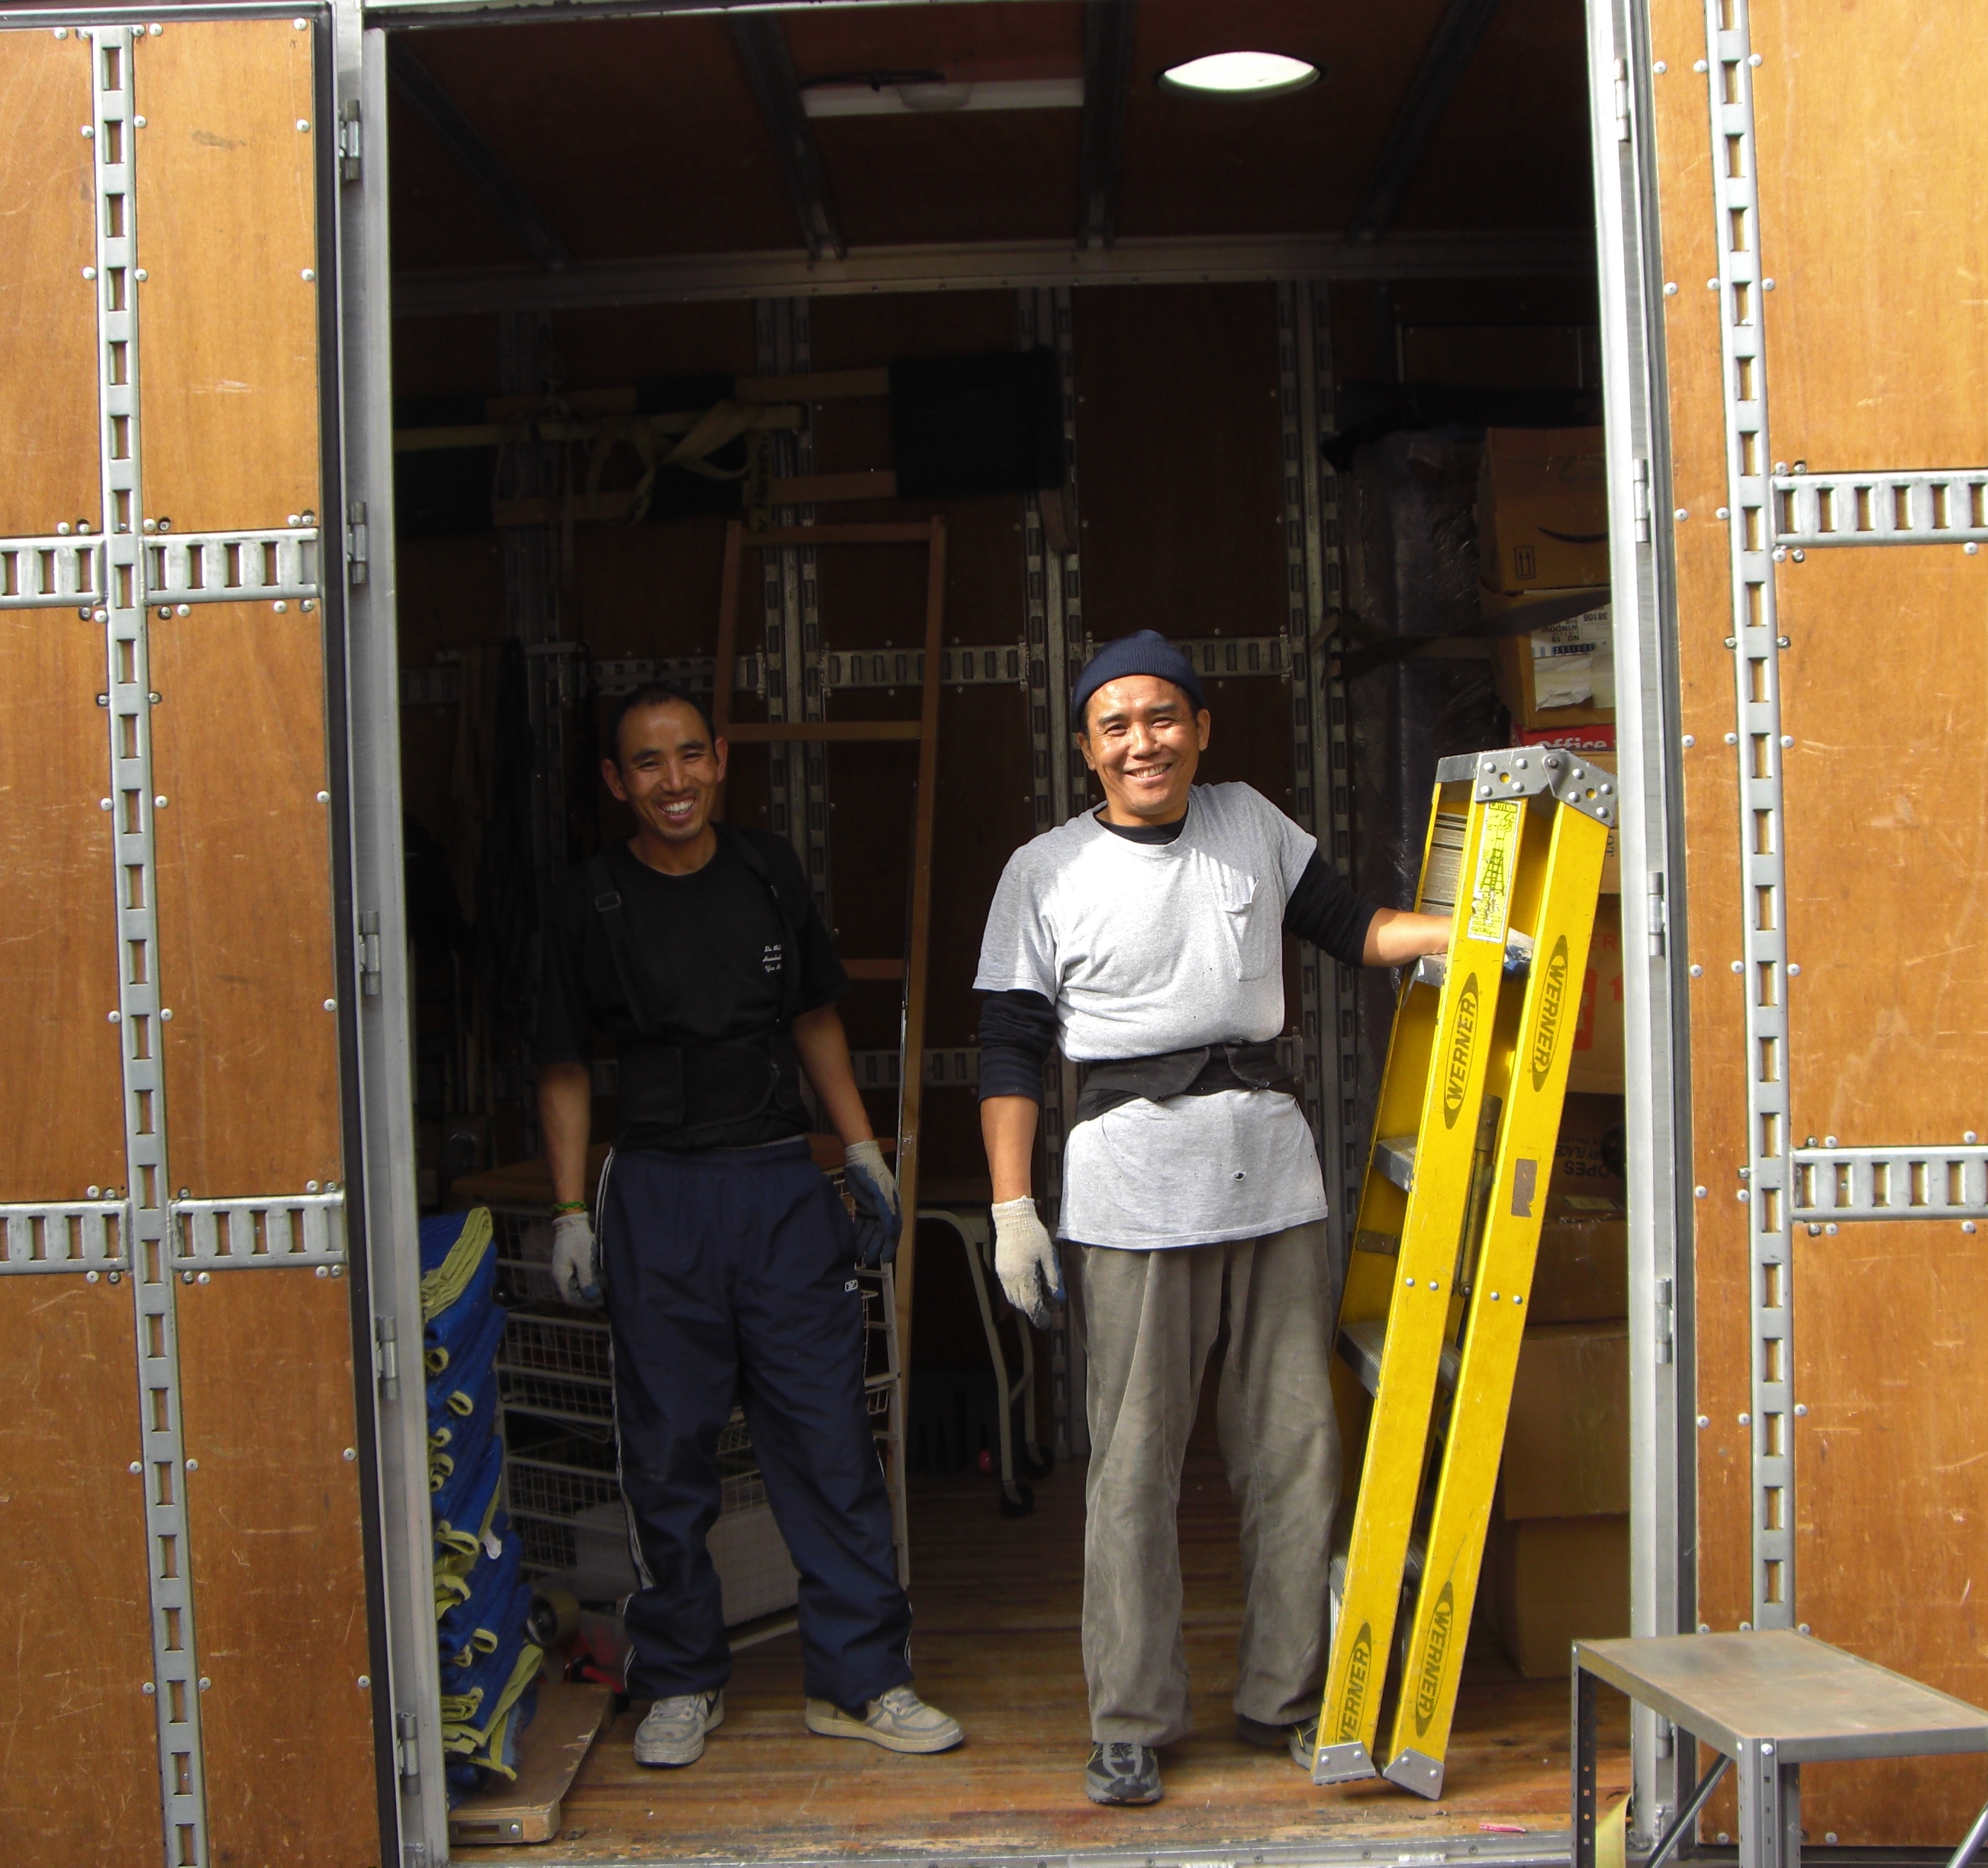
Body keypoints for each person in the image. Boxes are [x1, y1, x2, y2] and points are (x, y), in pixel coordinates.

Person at [972, 630, 1449, 1808]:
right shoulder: (1044, 870)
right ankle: (1131, 1720)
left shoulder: (1252, 824)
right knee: (1133, 1466)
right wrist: (1012, 1207)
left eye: (1163, 717)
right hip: (1132, 1191)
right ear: (1086, 749)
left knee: (1295, 1450)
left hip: (1270, 1180)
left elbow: (1357, 929)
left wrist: (1470, 932)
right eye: (1117, 726)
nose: (1144, 742)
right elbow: (1010, 1049)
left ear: (1201, 729)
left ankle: (1286, 1696)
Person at [536, 683, 962, 1769]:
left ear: (720, 758)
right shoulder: (592, 900)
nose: (673, 780)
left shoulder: (768, 872)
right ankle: (681, 1678)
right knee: (667, 1451)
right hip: (659, 1196)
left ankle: (861, 1682)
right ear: (616, 780)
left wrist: (861, 1149)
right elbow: (565, 1064)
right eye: (647, 763)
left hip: (779, 1187)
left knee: (827, 1440)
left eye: (690, 755)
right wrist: (572, 1210)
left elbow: (814, 1017)